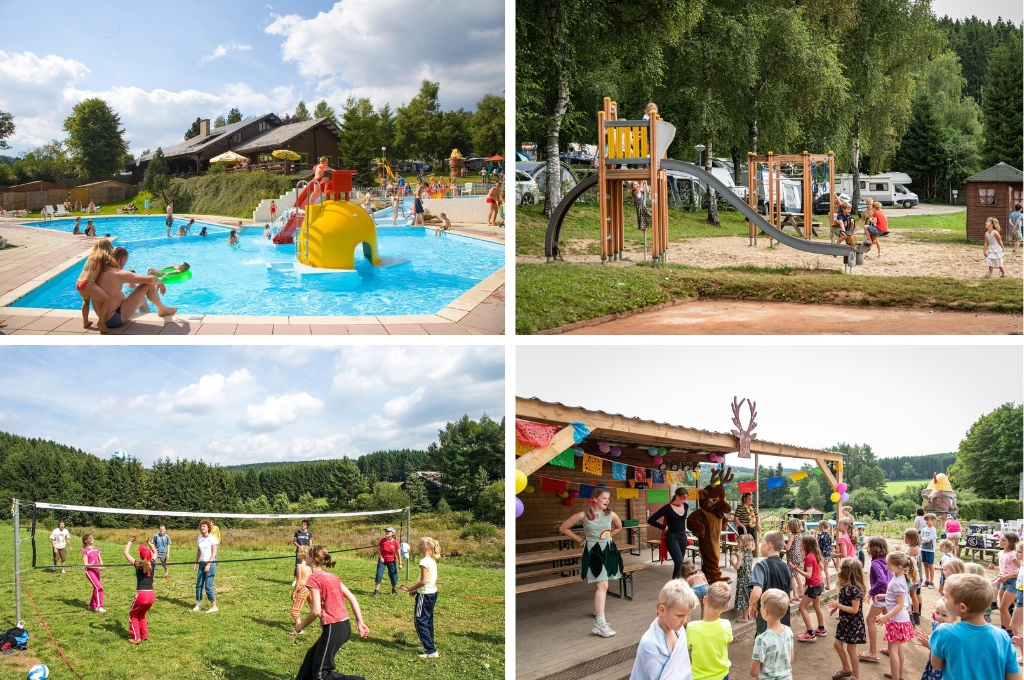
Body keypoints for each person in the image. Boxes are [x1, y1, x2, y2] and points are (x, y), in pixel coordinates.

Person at [293, 545, 369, 679]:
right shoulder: (332, 576)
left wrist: (301, 625)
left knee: (321, 674)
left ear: (311, 558)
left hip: (334, 628)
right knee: (311, 658)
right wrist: (360, 622)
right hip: (344, 627)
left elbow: (316, 610)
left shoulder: (314, 578)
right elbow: (352, 598)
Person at [929, 574, 1021, 680]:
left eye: (946, 596)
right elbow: (1014, 677)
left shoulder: (944, 632)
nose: (943, 598)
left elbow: (937, 665)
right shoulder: (1002, 636)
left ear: (962, 607)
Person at [559, 486, 623, 638]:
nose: (606, 501)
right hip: (593, 551)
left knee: (603, 584)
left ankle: (598, 611)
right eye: (603, 498)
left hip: (607, 550)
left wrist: (608, 537)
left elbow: (619, 526)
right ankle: (600, 624)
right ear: (594, 499)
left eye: (608, 498)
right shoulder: (583, 515)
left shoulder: (611, 514)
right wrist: (581, 539)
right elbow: (564, 528)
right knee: (603, 585)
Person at [94, 246, 177, 328]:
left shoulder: (100, 270)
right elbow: (151, 280)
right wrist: (160, 282)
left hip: (102, 317)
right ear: (122, 260)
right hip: (114, 318)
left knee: (142, 300)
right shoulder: (118, 273)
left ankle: (150, 315)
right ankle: (162, 309)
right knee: (147, 284)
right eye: (126, 261)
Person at [630, 578, 697, 680]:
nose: (685, 621)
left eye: (688, 615)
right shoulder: (649, 644)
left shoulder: (680, 631)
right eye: (680, 615)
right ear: (662, 610)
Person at [876, 551, 917, 680]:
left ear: (898, 567)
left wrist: (886, 616)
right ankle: (898, 675)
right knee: (897, 648)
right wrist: (885, 596)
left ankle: (895, 676)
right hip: (900, 619)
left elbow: (899, 605)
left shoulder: (897, 582)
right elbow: (899, 598)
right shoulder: (899, 578)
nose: (886, 566)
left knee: (893, 650)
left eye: (889, 565)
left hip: (897, 620)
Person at [400, 536, 441, 658]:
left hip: (425, 595)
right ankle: (428, 644)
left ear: (427, 547)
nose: (418, 545)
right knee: (428, 620)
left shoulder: (424, 562)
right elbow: (427, 581)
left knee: (420, 621)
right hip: (431, 593)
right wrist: (416, 591)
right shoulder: (431, 560)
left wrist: (410, 588)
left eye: (421, 544)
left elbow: (423, 581)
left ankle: (430, 651)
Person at [828, 557, 867, 680]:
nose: (838, 569)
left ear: (848, 572)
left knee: (851, 650)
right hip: (844, 621)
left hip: (853, 624)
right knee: (837, 644)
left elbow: (855, 610)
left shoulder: (855, 590)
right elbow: (844, 601)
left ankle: (856, 676)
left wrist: (838, 606)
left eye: (840, 568)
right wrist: (836, 608)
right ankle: (846, 668)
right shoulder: (845, 586)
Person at [747, 531, 793, 635]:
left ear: (769, 545)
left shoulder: (761, 566)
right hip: (783, 621)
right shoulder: (786, 567)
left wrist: (751, 604)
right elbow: (791, 595)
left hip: (766, 623)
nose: (760, 545)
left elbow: (756, 592)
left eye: (762, 542)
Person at [687, 581, 733, 680]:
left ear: (704, 600)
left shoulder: (692, 628)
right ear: (726, 607)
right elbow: (726, 646)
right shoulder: (726, 625)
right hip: (722, 675)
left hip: (699, 677)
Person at [858, 536, 891, 665]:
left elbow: (882, 581)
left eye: (869, 546)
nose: (867, 548)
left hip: (880, 596)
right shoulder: (886, 560)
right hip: (889, 597)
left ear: (875, 548)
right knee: (888, 621)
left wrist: (871, 592)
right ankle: (890, 648)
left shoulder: (876, 563)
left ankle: (872, 652)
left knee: (870, 620)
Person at [750, 588, 794, 680]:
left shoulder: (761, 639)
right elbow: (791, 658)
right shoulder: (789, 631)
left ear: (765, 612)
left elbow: (753, 672)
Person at [76, 239, 119, 333]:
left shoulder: (92, 256)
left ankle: (85, 321)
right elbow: (116, 265)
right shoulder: (104, 254)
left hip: (79, 282)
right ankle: (101, 323)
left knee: (86, 300)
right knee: (106, 300)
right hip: (88, 283)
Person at [648, 487, 691, 580]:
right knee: (680, 562)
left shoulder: (686, 506)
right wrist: (663, 527)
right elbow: (651, 520)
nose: (685, 500)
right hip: (672, 537)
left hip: (683, 536)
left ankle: (675, 581)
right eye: (683, 497)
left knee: (678, 563)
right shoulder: (667, 508)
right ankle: (678, 582)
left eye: (686, 497)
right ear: (676, 496)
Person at [915, 596, 959, 680]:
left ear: (954, 618)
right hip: (933, 662)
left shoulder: (950, 633)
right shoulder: (936, 625)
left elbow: (943, 654)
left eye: (944, 615)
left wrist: (927, 645)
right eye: (937, 613)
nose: (939, 617)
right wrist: (928, 638)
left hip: (941, 667)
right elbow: (935, 640)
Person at [123, 536, 156, 644]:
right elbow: (155, 552)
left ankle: (136, 638)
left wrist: (130, 541)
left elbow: (126, 553)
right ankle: (144, 635)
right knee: (141, 614)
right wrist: (149, 543)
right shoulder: (153, 563)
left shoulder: (139, 565)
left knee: (132, 614)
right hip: (151, 595)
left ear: (141, 556)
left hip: (142, 595)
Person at [794, 534, 827, 642]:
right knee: (817, 606)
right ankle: (821, 629)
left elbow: (808, 575)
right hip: (819, 584)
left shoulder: (809, 557)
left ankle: (810, 633)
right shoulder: (815, 554)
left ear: (807, 545)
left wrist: (796, 569)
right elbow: (821, 568)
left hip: (813, 586)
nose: (801, 545)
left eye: (802, 543)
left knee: (802, 607)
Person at [989, 532, 1022, 637]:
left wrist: (1007, 577)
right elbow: (1005, 567)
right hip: (1003, 581)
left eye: (1004, 540)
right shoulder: (1001, 553)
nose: (1001, 542)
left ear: (1011, 543)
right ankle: (1004, 629)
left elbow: (1020, 570)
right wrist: (995, 568)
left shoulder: (1013, 554)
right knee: (1003, 608)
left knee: (1004, 608)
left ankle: (1010, 632)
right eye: (1001, 539)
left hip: (1013, 582)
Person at [193, 519, 218, 613]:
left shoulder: (212, 538)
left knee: (208, 586)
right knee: (198, 585)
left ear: (208, 528)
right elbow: (198, 551)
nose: (202, 528)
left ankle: (214, 606)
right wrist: (195, 563)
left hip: (210, 564)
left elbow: (214, 552)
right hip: (201, 563)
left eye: (204, 526)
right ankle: (198, 604)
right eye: (201, 526)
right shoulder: (199, 537)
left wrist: (209, 564)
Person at [731, 533, 755, 622]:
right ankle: (748, 615)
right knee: (747, 596)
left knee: (743, 598)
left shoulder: (742, 554)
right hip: (749, 578)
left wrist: (732, 561)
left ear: (744, 543)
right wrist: (738, 556)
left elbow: (737, 567)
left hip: (742, 579)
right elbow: (744, 563)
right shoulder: (750, 553)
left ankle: (744, 617)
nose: (738, 544)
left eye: (739, 542)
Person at [372, 527, 402, 597]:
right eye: (386, 531)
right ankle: (376, 591)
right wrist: (381, 557)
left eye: (388, 532)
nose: (386, 533)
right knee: (379, 575)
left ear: (392, 533)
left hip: (391, 561)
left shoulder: (395, 542)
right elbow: (379, 549)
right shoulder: (382, 540)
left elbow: (398, 553)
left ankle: (393, 590)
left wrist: (400, 563)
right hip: (382, 561)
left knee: (393, 577)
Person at [904, 528, 923, 625]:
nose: (905, 539)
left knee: (908, 596)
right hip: (914, 575)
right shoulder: (916, 549)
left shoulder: (913, 549)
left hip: (910, 576)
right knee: (913, 595)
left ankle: (911, 616)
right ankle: (916, 616)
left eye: (906, 538)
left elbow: (905, 560)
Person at [81, 534, 105, 612]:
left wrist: (102, 565)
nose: (92, 539)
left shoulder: (97, 549)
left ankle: (91, 605)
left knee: (96, 588)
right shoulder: (85, 551)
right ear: (86, 541)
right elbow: (86, 565)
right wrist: (98, 567)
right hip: (90, 571)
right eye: (90, 538)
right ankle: (98, 607)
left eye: (92, 538)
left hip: (96, 571)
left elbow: (100, 559)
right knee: (99, 588)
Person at [291, 545, 312, 630]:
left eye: (299, 552)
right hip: (310, 588)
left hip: (302, 589)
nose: (297, 553)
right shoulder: (310, 566)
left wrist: (294, 592)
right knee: (314, 607)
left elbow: (298, 581)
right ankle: (326, 624)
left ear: (303, 555)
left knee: (295, 610)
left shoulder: (299, 566)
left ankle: (299, 628)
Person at [785, 519, 804, 604]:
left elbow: (787, 548)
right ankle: (802, 592)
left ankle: (795, 594)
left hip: (792, 557)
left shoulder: (792, 536)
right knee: (797, 575)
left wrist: (782, 542)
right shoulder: (800, 535)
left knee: (791, 576)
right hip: (798, 556)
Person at [292, 520, 313, 587]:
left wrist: (309, 549)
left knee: (307, 565)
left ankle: (306, 579)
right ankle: (295, 580)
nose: (302, 525)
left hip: (306, 552)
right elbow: (294, 541)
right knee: (298, 565)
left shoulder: (309, 533)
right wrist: (300, 547)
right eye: (302, 524)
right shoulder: (297, 532)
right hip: (300, 551)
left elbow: (310, 543)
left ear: (307, 526)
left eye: (304, 524)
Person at [920, 513, 938, 588]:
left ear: (932, 520)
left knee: (930, 565)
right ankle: (927, 580)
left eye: (928, 520)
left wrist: (924, 540)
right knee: (925, 565)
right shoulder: (924, 529)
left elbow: (928, 539)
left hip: (930, 550)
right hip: (923, 549)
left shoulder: (933, 530)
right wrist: (924, 540)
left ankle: (931, 581)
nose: (926, 522)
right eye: (925, 520)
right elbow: (921, 538)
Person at [818, 520, 834, 589]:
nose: (818, 528)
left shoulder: (821, 536)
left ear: (822, 526)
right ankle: (828, 585)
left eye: (819, 526)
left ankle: (822, 586)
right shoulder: (829, 535)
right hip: (828, 555)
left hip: (822, 555)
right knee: (826, 570)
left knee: (820, 570)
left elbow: (818, 547)